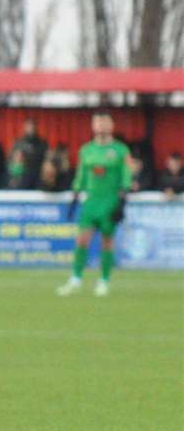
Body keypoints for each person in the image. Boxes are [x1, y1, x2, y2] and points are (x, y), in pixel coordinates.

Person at [57, 111, 132, 298]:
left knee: (107, 241)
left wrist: (122, 201)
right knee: (82, 238)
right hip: (91, 201)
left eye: (104, 122)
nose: (100, 126)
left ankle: (104, 280)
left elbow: (126, 175)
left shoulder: (121, 150)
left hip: (110, 200)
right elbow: (81, 176)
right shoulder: (86, 150)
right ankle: (76, 279)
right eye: (97, 123)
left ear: (111, 126)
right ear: (93, 126)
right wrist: (75, 198)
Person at [14, 118, 48, 189]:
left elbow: (46, 161)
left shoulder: (43, 144)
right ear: (25, 128)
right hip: (23, 176)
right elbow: (13, 162)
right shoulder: (19, 143)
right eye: (29, 127)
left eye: (33, 127)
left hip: (39, 176)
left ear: (36, 127)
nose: (31, 129)